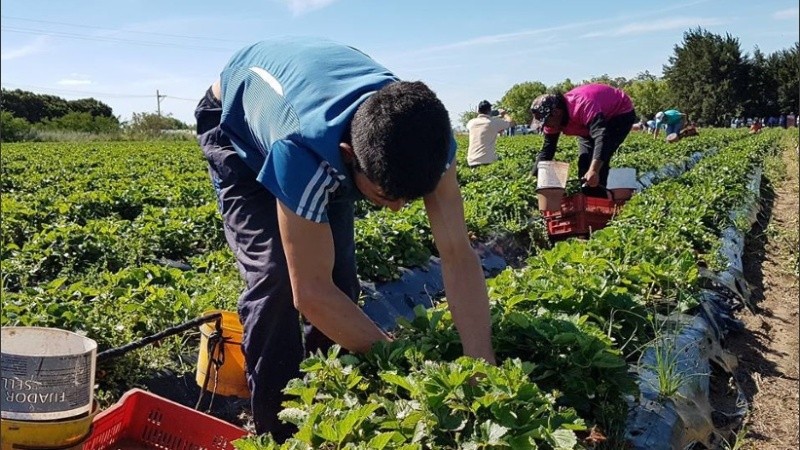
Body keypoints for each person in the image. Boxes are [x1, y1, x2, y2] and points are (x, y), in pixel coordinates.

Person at [194, 37, 496, 441]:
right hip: (236, 127)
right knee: (275, 278)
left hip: (318, 110)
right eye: (386, 196)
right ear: (348, 156)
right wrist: (404, 366)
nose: (398, 209)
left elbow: (457, 253)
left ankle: (329, 401)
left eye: (410, 197)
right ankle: (279, 431)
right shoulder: (302, 149)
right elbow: (310, 292)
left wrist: (481, 366)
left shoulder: (429, 142)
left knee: (341, 278)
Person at [529, 83, 637, 198]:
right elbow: (547, 150)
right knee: (584, 165)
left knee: (598, 167)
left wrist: (594, 170)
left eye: (545, 121)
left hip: (619, 113)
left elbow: (602, 137)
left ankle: (603, 202)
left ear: (556, 112)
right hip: (588, 124)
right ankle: (591, 199)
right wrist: (532, 178)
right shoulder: (553, 121)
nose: (546, 126)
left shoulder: (582, 105)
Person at [466, 101, 513, 167]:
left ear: (478, 111)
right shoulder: (494, 122)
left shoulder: (471, 122)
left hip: (471, 161)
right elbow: (511, 123)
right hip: (487, 161)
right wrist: (505, 114)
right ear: (490, 110)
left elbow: (484, 125)